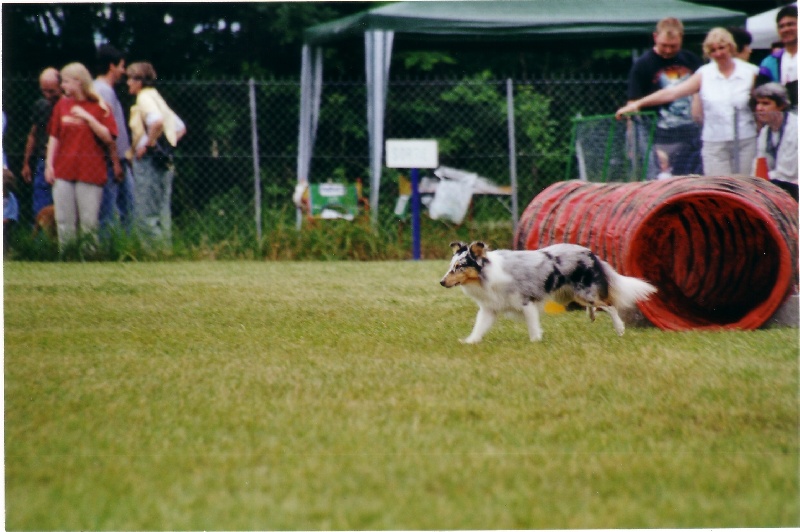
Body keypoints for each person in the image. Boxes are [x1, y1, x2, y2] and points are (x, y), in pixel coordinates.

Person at [617, 28, 758, 177]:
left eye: (721, 48)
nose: (718, 53)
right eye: (712, 50)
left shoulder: (751, 72)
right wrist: (637, 104)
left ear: (731, 47)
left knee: (745, 186)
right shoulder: (704, 73)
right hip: (714, 141)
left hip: (745, 139)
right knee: (720, 187)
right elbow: (672, 92)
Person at [45, 62, 118, 251]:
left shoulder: (101, 107)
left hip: (90, 171)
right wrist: (49, 165)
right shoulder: (62, 105)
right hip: (64, 169)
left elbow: (108, 137)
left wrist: (88, 118)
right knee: (63, 219)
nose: (63, 86)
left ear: (78, 82)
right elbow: (54, 136)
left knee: (88, 221)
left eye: (66, 82)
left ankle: (89, 256)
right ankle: (66, 254)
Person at [626, 17, 703, 178]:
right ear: (655, 37)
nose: (668, 51)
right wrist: (634, 143)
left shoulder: (691, 60)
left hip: (691, 134)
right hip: (658, 137)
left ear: (681, 37)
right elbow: (632, 104)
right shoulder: (643, 64)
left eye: (673, 46)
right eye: (664, 46)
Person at [126, 61, 185, 248]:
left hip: (149, 162)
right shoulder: (156, 96)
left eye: (131, 78)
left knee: (145, 215)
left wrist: (148, 145)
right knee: (161, 213)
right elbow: (180, 128)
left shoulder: (144, 98)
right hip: (164, 162)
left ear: (140, 81)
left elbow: (157, 122)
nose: (127, 82)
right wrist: (166, 146)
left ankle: (153, 253)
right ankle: (166, 253)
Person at [94, 44, 134, 233]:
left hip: (118, 159)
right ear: (112, 66)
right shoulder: (104, 91)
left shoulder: (103, 90)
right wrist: (116, 160)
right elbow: (107, 129)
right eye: (121, 66)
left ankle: (126, 245)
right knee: (112, 210)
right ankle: (107, 249)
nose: (123, 71)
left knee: (127, 206)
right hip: (112, 160)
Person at [21, 67, 61, 220]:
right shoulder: (41, 106)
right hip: (43, 161)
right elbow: (33, 135)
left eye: (52, 91)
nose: (47, 95)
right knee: (40, 206)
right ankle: (40, 242)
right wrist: (26, 162)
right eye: (44, 91)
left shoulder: (67, 106)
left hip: (63, 161)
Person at [751, 83, 798, 201]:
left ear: (781, 105)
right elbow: (760, 166)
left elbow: (787, 172)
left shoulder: (795, 128)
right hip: (778, 185)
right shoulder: (765, 131)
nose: (759, 108)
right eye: (758, 103)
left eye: (765, 103)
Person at [757, 5, 797, 108]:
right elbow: (762, 95)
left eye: (790, 24)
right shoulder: (768, 62)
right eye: (781, 26)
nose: (786, 29)